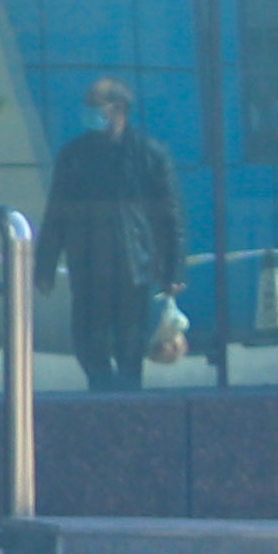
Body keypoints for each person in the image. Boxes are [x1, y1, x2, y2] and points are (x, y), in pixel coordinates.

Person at [39, 75, 187, 395]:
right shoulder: (74, 155)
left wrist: (174, 269)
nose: (89, 112)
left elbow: (169, 215)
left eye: (96, 105)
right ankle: (99, 388)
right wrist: (45, 266)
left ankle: (128, 395)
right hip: (87, 262)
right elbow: (57, 214)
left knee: (130, 339)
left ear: (118, 108)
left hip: (133, 264)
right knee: (87, 336)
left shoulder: (149, 153)